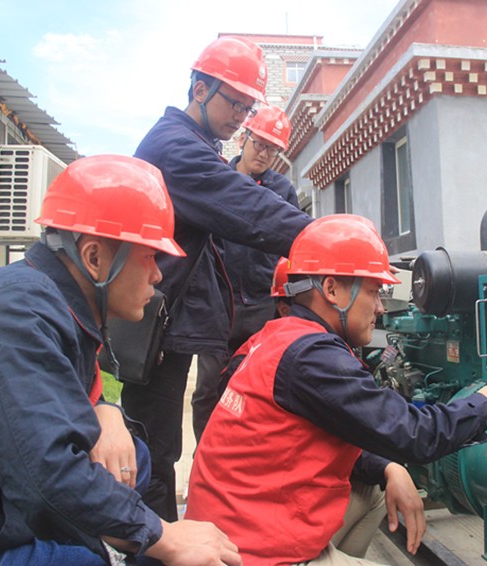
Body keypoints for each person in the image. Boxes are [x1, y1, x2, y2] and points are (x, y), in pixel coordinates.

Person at [0, 155, 241, 566]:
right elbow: (44, 472)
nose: (157, 275)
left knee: (132, 458)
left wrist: (105, 408)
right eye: (149, 257)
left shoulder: (50, 300)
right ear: (95, 258)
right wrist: (162, 535)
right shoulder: (17, 311)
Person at [185, 214, 487, 565]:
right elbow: (418, 435)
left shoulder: (275, 338)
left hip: (229, 530)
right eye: (372, 292)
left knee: (372, 491)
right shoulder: (312, 357)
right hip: (251, 553)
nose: (380, 307)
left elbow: (317, 437)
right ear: (331, 289)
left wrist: (389, 467)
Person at [127, 35, 312, 521]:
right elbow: (244, 206)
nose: (240, 116)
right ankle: (155, 544)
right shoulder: (178, 148)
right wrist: (327, 239)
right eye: (235, 103)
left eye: (248, 107)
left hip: (173, 318)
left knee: (159, 442)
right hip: (152, 321)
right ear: (200, 89)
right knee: (154, 445)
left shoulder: (195, 144)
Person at [192, 105, 300, 442]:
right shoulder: (219, 180)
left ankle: (242, 452)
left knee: (254, 386)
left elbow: (293, 248)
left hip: (261, 306)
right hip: (218, 306)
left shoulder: (282, 191)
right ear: (244, 138)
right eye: (260, 144)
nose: (264, 154)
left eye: (273, 149)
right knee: (208, 388)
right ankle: (205, 453)